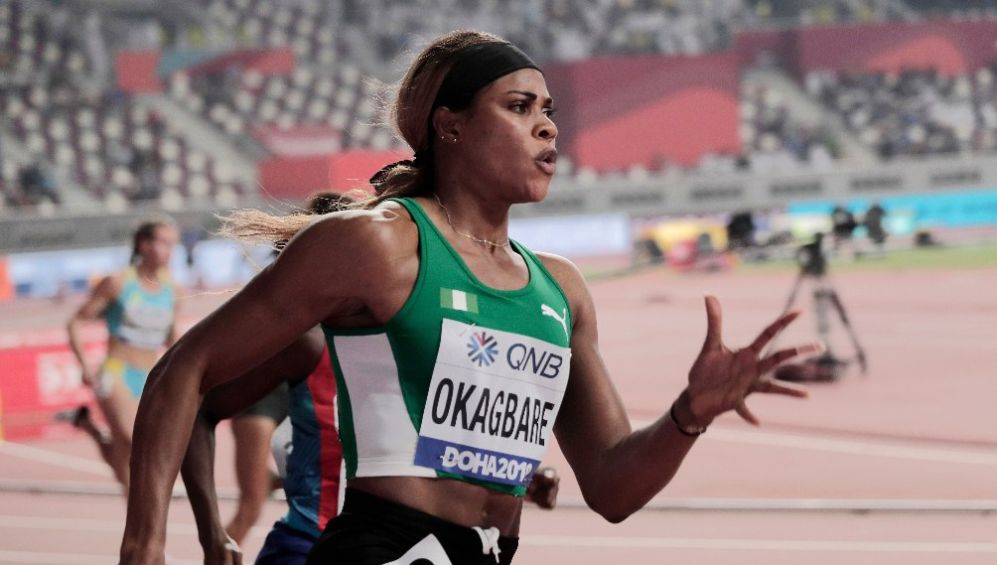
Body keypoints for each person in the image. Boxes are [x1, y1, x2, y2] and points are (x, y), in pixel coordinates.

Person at [121, 30, 818, 564]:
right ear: (448, 124)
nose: (548, 126)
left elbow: (611, 487)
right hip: (385, 546)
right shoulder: (378, 244)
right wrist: (145, 544)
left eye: (548, 110)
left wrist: (689, 414)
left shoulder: (560, 289)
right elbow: (183, 370)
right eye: (519, 107)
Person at [63, 216, 181, 491]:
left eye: (172, 245)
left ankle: (89, 427)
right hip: (116, 372)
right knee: (132, 441)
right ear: (143, 245)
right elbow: (75, 322)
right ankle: (137, 510)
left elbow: (172, 339)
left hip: (150, 377)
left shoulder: (173, 291)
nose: (169, 251)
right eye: (163, 243)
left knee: (129, 449)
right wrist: (84, 365)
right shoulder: (118, 283)